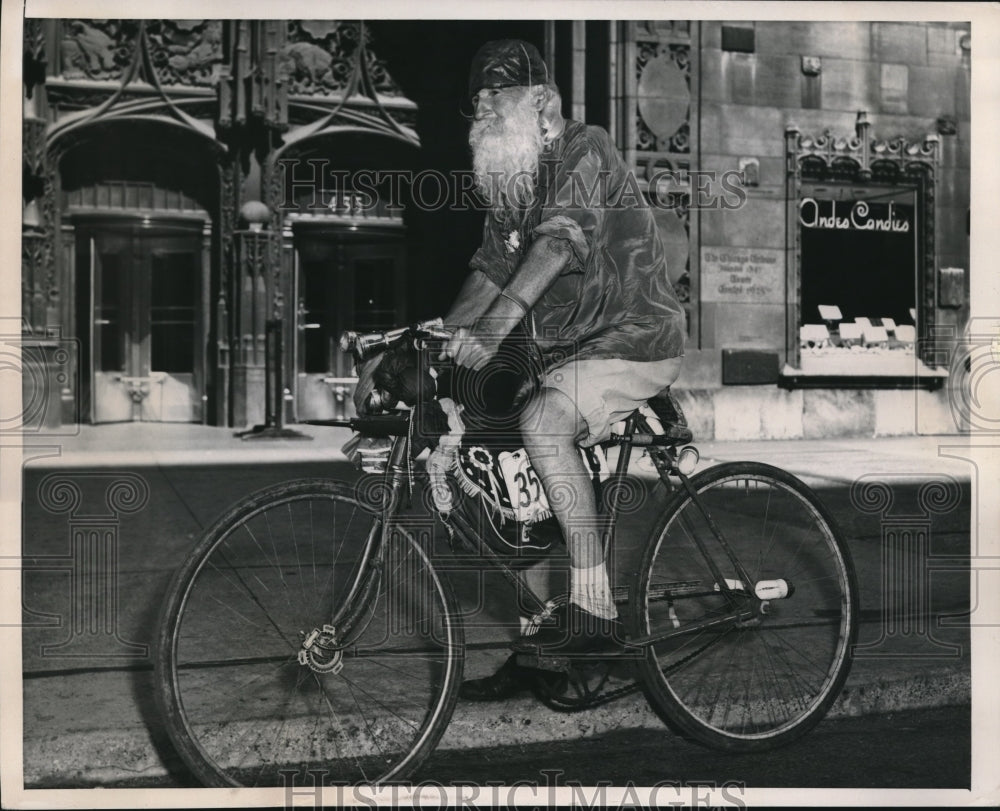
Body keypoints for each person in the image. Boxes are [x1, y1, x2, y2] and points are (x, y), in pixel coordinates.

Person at [444, 39, 686, 699]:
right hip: (569, 353)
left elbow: (560, 240)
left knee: (543, 422)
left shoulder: (588, 149)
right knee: (508, 477)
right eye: (480, 105)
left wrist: (493, 329)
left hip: (635, 336)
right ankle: (539, 646)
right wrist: (434, 336)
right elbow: (490, 271)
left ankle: (597, 615)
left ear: (543, 101)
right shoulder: (512, 184)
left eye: (500, 101)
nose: (485, 115)